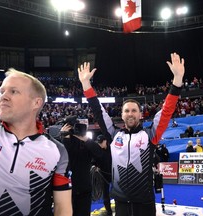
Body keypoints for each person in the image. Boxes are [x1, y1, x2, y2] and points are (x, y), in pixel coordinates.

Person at [78, 52, 185, 216]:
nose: (130, 114)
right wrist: (86, 85)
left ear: (140, 114)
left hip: (145, 203)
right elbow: (98, 111)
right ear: (122, 115)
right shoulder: (114, 135)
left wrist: (177, 81)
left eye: (134, 111)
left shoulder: (150, 135)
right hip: (120, 203)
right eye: (126, 111)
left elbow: (167, 110)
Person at [0, 68, 72, 215]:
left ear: (36, 103)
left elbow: (62, 207)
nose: (3, 96)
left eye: (13, 91)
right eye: (2, 91)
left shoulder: (57, 151)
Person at [60, 122, 105, 216]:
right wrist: (65, 137)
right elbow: (64, 157)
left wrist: (85, 139)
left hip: (84, 189)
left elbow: (100, 154)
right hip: (67, 190)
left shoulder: (86, 144)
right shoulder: (65, 142)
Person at [92, 134, 113, 216]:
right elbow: (92, 163)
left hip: (114, 174)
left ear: (105, 141)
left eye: (101, 142)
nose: (100, 144)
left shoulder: (111, 149)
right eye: (98, 143)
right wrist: (95, 167)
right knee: (105, 195)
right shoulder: (97, 151)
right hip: (103, 176)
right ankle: (109, 212)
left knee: (119, 192)